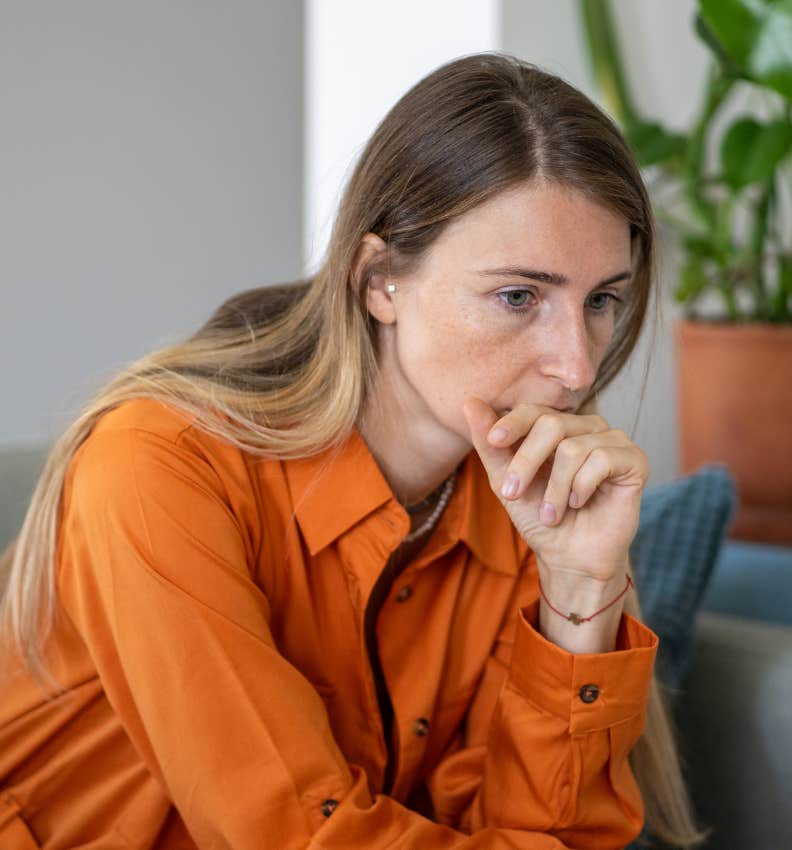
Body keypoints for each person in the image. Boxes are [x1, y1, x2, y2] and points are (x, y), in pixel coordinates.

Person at [0, 52, 707, 849]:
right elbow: (293, 837)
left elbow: (553, 835)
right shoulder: (157, 465)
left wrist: (581, 589)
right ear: (380, 282)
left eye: (602, 300)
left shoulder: (524, 511)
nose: (577, 366)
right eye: (519, 297)